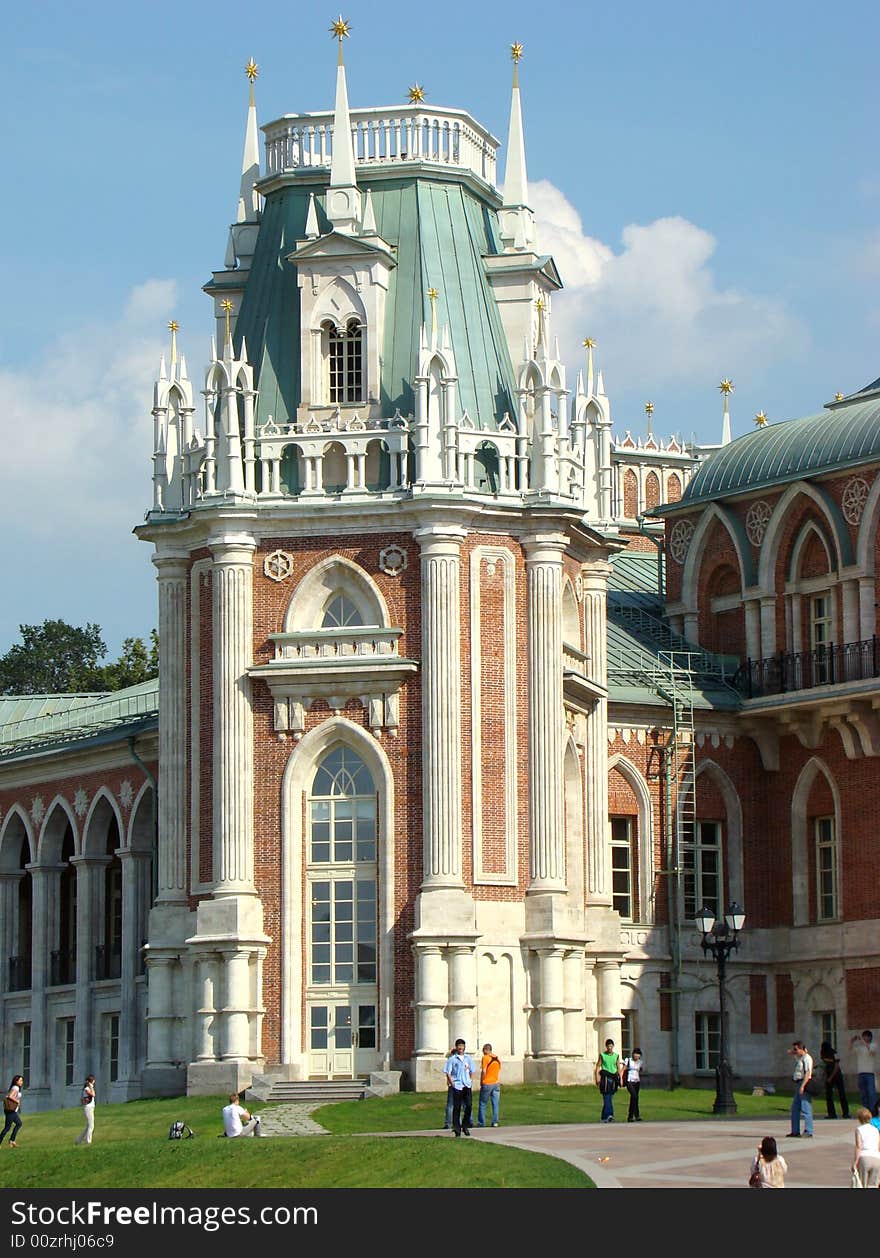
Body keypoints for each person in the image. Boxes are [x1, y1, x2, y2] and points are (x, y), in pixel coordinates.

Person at [444, 1039, 475, 1137]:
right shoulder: (452, 1059)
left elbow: (472, 1070)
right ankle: (457, 1128)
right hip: (457, 1085)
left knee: (469, 1106)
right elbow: (447, 1071)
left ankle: (465, 1125)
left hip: (466, 1085)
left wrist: (470, 1080)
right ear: (456, 1047)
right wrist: (452, 1083)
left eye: (462, 1046)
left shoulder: (468, 1058)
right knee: (456, 1108)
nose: (461, 1048)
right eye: (459, 1046)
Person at [786, 1041, 814, 1137]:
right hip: (798, 1083)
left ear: (801, 1049)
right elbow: (791, 1053)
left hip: (804, 1083)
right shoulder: (800, 1057)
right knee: (795, 1108)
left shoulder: (807, 1058)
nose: (795, 1051)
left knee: (806, 1107)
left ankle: (808, 1131)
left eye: (796, 1049)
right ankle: (795, 1131)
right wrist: (793, 1051)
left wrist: (803, 1086)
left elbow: (807, 1073)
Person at [819, 1040, 849, 1119]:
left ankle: (846, 1113)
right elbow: (824, 1065)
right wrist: (825, 1076)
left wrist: (830, 1077)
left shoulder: (834, 1053)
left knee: (841, 1094)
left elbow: (836, 1066)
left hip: (837, 1075)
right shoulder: (823, 1053)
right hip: (829, 1074)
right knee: (828, 1095)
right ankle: (832, 1114)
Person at [850, 1030, 877, 1114]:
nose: (864, 1038)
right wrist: (852, 1041)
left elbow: (871, 1051)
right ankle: (865, 1110)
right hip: (861, 1072)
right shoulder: (860, 1048)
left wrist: (862, 1041)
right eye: (863, 1036)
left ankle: (873, 1110)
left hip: (870, 1073)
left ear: (869, 1037)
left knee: (871, 1093)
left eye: (865, 1036)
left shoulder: (873, 1045)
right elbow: (851, 1050)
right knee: (863, 1093)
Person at [595, 1038, 621, 1123]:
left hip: (613, 1077)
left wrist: (620, 1078)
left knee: (610, 1097)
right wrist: (597, 1078)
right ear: (606, 1047)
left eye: (611, 1046)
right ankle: (610, 1115)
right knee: (606, 1097)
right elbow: (598, 1066)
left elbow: (618, 1067)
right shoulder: (602, 1055)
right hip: (605, 1077)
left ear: (613, 1046)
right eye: (608, 1046)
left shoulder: (616, 1056)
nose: (609, 1047)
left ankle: (603, 1117)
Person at [851, 1107, 880, 1186]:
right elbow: (878, 1146)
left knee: (862, 1184)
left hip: (865, 1157)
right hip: (876, 1158)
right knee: (873, 1185)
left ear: (859, 1119)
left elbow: (858, 1146)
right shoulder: (876, 1130)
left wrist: (855, 1162)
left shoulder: (859, 1129)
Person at [477, 1043, 501, 1127]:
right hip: (496, 1082)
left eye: (483, 1050)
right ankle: (495, 1122)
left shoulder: (485, 1058)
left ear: (486, 1050)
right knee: (495, 1103)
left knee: (483, 1103)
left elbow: (484, 1071)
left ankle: (481, 1122)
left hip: (487, 1082)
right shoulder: (497, 1059)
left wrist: (482, 1081)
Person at [0, 1076, 24, 1148]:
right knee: (7, 1128)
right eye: (20, 1080)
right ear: (16, 1081)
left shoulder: (16, 1088)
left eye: (22, 1080)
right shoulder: (15, 1088)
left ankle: (12, 1141)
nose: (21, 1082)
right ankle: (10, 1141)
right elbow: (10, 1096)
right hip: (11, 1110)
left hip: (12, 1110)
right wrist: (17, 1102)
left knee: (19, 1123)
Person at [622, 1047, 644, 1122]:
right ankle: (631, 1115)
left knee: (635, 1098)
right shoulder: (628, 1060)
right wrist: (621, 1079)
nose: (636, 1056)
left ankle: (634, 1116)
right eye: (635, 1054)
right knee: (634, 1096)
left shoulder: (640, 1062)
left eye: (638, 1054)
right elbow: (623, 1069)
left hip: (637, 1081)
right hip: (629, 1081)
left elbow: (641, 1070)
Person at [75, 1075, 96, 1146]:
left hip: (91, 1107)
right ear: (92, 1081)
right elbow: (93, 1094)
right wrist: (91, 1087)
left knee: (88, 1126)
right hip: (88, 1108)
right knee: (91, 1125)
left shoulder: (88, 1088)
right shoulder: (87, 1088)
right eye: (93, 1081)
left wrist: (91, 1087)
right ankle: (88, 1141)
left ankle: (78, 1140)